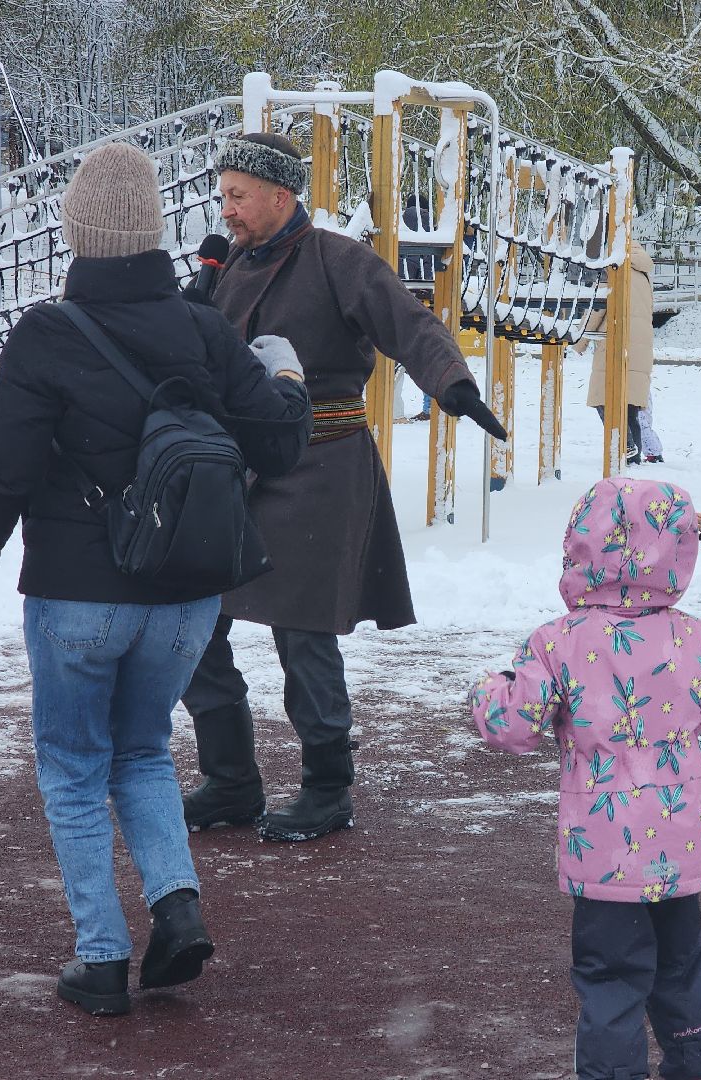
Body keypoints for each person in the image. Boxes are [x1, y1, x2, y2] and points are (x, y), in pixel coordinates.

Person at [0, 142, 313, 1016]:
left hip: (75, 598)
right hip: (182, 601)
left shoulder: (49, 336)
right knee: (140, 753)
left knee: (72, 765)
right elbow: (278, 441)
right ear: (153, 234)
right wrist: (282, 369)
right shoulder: (204, 329)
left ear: (75, 235)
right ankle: (175, 907)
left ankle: (100, 957)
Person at [181, 132, 506, 842]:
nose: (226, 209)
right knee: (193, 620)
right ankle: (231, 778)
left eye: (237, 196)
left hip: (320, 466)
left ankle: (328, 787)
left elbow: (410, 324)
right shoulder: (225, 266)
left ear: (280, 196)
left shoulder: (339, 259)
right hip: (238, 472)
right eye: (223, 196)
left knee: (304, 631)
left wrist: (452, 385)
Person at [469, 476, 701, 1080]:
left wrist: (489, 687)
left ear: (580, 546)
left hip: (603, 855)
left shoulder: (560, 642)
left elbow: (510, 726)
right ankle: (699, 1065)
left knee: (611, 979)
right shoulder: (690, 636)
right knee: (683, 969)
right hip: (680, 843)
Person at [586, 237, 655, 465]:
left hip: (615, 340)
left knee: (602, 398)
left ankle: (626, 446)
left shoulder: (616, 268)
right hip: (640, 345)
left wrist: (578, 340)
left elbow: (599, 307)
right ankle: (633, 460)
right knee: (630, 406)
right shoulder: (643, 273)